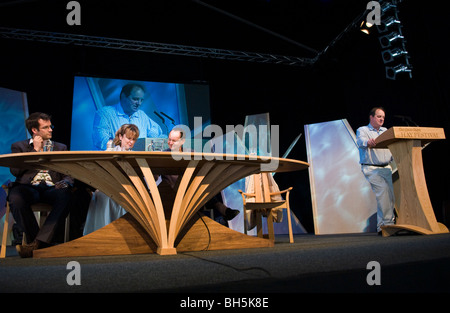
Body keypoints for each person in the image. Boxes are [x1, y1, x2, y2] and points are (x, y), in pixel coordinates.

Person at [9, 112, 74, 257]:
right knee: (16, 198)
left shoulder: (60, 147)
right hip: (28, 187)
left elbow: (69, 171)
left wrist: (67, 181)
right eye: (46, 127)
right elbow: (15, 171)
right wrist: (35, 151)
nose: (51, 130)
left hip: (53, 187)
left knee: (66, 195)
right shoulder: (19, 146)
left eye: (50, 126)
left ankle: (36, 244)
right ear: (34, 130)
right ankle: (40, 243)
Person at [165, 128, 240, 223]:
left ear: (182, 141)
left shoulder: (191, 152)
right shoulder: (164, 154)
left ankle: (221, 210)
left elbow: (201, 170)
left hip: (191, 190)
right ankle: (222, 209)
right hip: (174, 192)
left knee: (205, 183)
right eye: (169, 139)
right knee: (199, 188)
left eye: (174, 141)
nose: (170, 143)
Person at [83, 124, 139, 235]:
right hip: (107, 188)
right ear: (121, 136)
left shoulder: (136, 156)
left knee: (131, 197)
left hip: (126, 189)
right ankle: (103, 235)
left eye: (134, 139)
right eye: (129, 138)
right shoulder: (108, 153)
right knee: (105, 196)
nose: (131, 142)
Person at [356, 107, 395, 234]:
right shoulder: (363, 130)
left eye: (383, 117)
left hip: (387, 168)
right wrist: (368, 142)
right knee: (383, 193)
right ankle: (389, 225)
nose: (382, 119)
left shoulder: (386, 131)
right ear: (371, 117)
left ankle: (381, 227)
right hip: (371, 168)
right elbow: (360, 141)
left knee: (389, 197)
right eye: (379, 116)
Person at [92, 83, 165, 150]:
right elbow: (100, 140)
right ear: (123, 96)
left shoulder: (141, 115)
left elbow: (158, 134)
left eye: (141, 100)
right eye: (135, 99)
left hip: (140, 160)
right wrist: (120, 148)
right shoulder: (105, 113)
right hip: (117, 159)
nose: (139, 103)